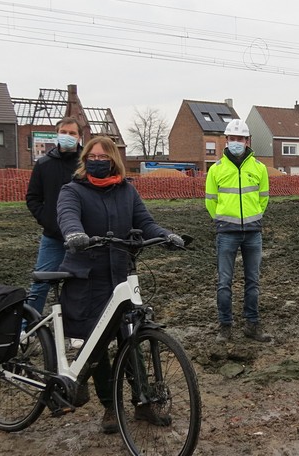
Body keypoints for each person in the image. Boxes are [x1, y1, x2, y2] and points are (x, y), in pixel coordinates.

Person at [57, 136, 184, 433]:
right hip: (89, 278)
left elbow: (145, 221)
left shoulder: (127, 191)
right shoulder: (73, 190)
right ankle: (110, 407)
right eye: (92, 155)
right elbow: (67, 216)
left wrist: (165, 235)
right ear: (85, 159)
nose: (97, 160)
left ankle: (143, 403)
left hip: (122, 275)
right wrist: (75, 234)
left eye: (103, 156)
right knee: (97, 345)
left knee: (133, 337)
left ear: (114, 160)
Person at [205, 119, 271, 343]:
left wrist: (254, 216)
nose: (236, 142)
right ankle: (225, 327)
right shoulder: (216, 170)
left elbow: (264, 198)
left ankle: (251, 324)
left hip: (253, 232)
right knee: (224, 283)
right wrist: (223, 220)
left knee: (253, 282)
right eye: (232, 138)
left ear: (247, 141)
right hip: (226, 233)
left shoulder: (259, 168)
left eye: (240, 139)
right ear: (226, 140)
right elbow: (210, 202)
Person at [25, 117, 82, 325]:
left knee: (78, 284)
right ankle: (28, 328)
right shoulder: (44, 164)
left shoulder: (86, 163)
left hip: (83, 236)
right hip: (53, 237)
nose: (68, 136)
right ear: (57, 134)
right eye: (64, 132)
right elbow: (33, 198)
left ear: (79, 136)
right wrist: (47, 220)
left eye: (72, 133)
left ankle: (76, 328)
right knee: (40, 283)